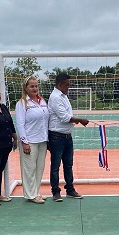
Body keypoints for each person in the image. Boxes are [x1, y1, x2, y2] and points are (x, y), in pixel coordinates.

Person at [48, 73, 89, 201]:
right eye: (67, 85)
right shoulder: (55, 97)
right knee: (55, 166)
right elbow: (65, 117)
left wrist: (75, 120)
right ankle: (55, 192)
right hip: (56, 136)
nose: (68, 87)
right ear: (59, 85)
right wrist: (80, 120)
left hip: (66, 136)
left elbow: (67, 115)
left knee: (68, 165)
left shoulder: (63, 96)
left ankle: (70, 189)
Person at [16, 76, 49, 203]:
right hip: (30, 141)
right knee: (29, 168)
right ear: (26, 88)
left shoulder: (42, 101)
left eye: (36, 86)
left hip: (42, 140)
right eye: (32, 86)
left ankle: (36, 191)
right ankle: (30, 194)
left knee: (39, 167)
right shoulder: (22, 103)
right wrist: (24, 142)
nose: (34, 88)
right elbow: (20, 123)